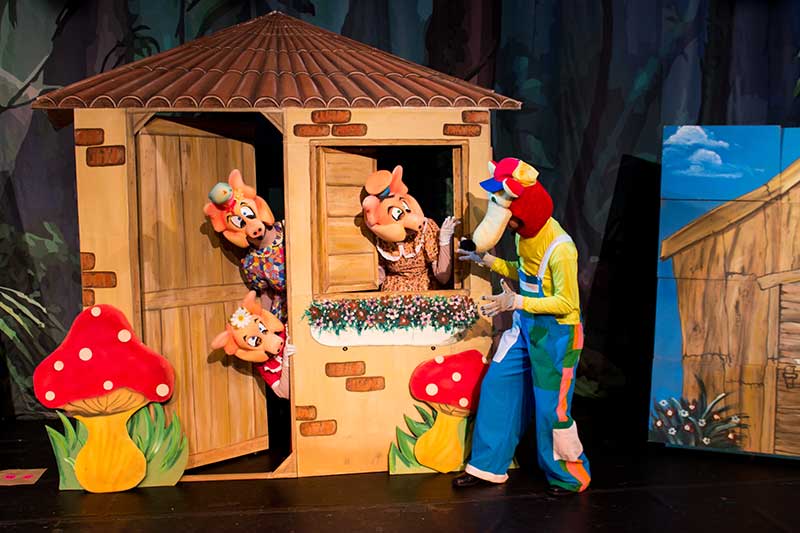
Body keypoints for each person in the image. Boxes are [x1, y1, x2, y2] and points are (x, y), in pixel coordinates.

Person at [454, 157, 590, 496]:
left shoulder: (561, 249)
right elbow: (525, 271)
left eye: (511, 219)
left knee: (551, 411)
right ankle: (487, 467)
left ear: (525, 213)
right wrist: (488, 261)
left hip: (557, 336)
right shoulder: (524, 236)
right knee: (498, 386)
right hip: (524, 327)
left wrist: (515, 302)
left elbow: (567, 304)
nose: (509, 226)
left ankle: (570, 477)